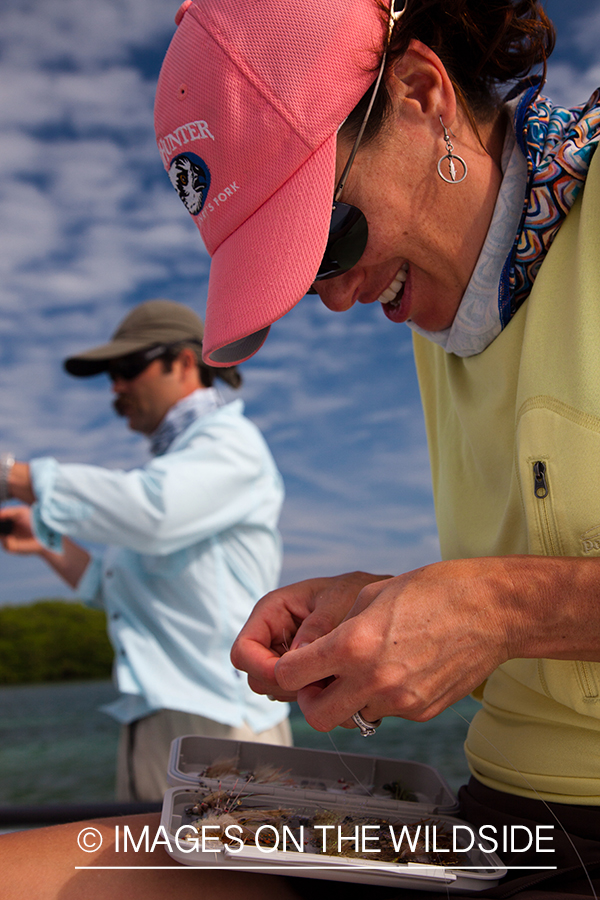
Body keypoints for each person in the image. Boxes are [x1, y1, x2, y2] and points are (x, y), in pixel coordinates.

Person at [2, 0, 599, 898]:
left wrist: (501, 609)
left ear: (422, 93)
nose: (332, 296)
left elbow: (518, 600)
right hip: (503, 829)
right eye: (300, 271)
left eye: (328, 237)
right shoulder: (440, 322)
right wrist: (398, 602)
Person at [0, 299, 290, 802]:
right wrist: (47, 543)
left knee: (225, 885)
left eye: (127, 367)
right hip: (155, 727)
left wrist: (15, 477)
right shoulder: (181, 466)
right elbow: (112, 589)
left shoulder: (229, 444)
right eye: (111, 373)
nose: (115, 386)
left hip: (223, 731)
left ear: (182, 361)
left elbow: (153, 512)